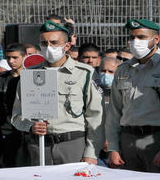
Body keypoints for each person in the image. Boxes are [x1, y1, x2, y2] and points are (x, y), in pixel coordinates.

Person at [10, 20, 102, 166]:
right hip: (39, 145)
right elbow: (16, 115)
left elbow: (95, 116)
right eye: (44, 43)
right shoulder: (30, 74)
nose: (48, 47)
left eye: (54, 43)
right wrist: (30, 126)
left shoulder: (84, 73)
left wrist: (91, 152)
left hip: (73, 144)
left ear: (67, 45)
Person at [107, 18, 160, 173]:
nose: (135, 41)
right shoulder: (123, 69)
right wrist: (113, 148)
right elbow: (114, 112)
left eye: (141, 37)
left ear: (155, 39)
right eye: (132, 37)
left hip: (158, 140)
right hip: (128, 141)